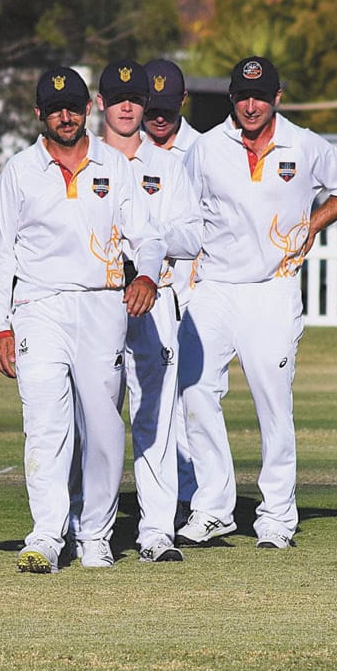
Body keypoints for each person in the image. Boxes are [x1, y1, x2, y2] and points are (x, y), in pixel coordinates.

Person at [175, 56, 337, 550]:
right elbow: (182, 212)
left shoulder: (302, 144)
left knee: (273, 403)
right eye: (243, 96)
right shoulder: (206, 148)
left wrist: (313, 223)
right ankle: (213, 508)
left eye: (260, 96)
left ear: (277, 98)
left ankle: (277, 516)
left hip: (274, 287)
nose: (251, 105)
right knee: (195, 392)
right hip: (214, 286)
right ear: (231, 98)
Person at [0, 66, 165, 572]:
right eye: (54, 109)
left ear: (88, 109)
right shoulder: (20, 170)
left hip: (101, 302)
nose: (64, 117)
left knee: (103, 424)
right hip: (38, 306)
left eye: (73, 107)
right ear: (38, 114)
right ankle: (46, 535)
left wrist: (147, 276)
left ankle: (96, 535)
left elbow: (147, 237)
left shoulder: (115, 165)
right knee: (44, 422)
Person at [93, 58, 202, 562]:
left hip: (154, 299)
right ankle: (86, 525)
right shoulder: (86, 161)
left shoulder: (167, 165)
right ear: (101, 104)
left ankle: (157, 530)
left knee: (155, 416)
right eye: (117, 100)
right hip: (95, 300)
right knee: (93, 414)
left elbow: (192, 235)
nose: (126, 108)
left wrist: (148, 242)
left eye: (134, 100)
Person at [142, 57, 202, 521]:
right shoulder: (121, 152)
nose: (159, 117)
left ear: (183, 100)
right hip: (143, 294)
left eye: (167, 107)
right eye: (151, 107)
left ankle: (192, 500)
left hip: (194, 292)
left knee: (192, 403)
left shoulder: (204, 150)